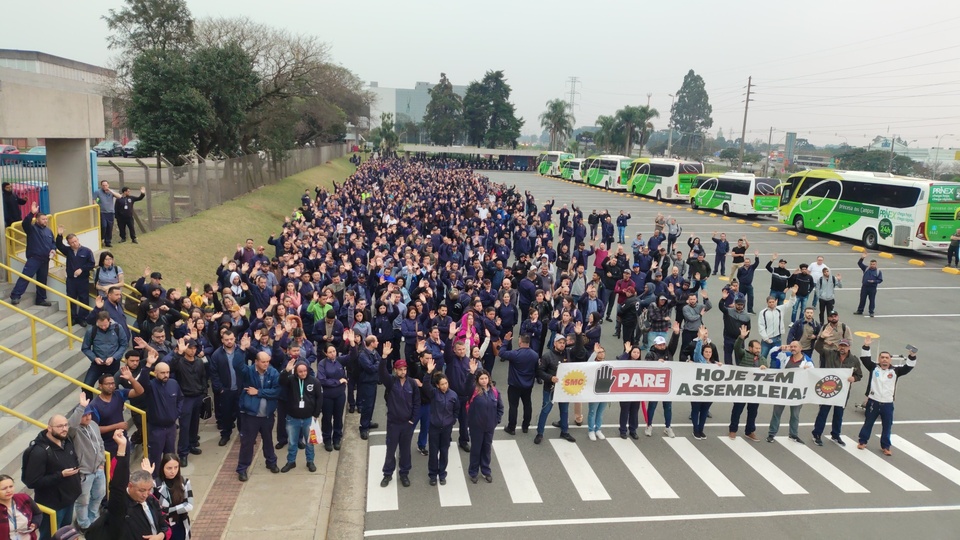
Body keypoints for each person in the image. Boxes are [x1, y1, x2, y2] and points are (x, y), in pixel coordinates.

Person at [98, 430, 168, 540]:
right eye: (142, 490)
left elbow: (164, 525)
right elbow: (117, 485)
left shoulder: (151, 501)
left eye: (149, 489)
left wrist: (160, 535)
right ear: (130, 486)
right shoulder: (120, 505)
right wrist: (122, 448)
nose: (146, 494)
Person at [20, 415, 81, 539]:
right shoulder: (39, 451)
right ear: (49, 428)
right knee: (50, 536)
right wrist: (60, 475)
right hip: (52, 506)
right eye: (59, 426)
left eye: (65, 425)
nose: (64, 429)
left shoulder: (67, 440)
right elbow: (32, 482)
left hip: (69, 500)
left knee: (65, 534)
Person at [857, 336, 917, 456]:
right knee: (868, 422)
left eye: (887, 358)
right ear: (879, 359)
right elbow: (865, 359)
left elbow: (909, 367)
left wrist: (912, 356)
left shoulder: (895, 371)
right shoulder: (874, 368)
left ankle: (885, 446)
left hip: (888, 403)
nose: (884, 360)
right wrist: (866, 346)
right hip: (873, 401)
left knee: (887, 426)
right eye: (882, 357)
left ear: (890, 360)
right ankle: (862, 441)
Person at [235, 352, 281, 481]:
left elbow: (277, 391)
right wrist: (242, 350)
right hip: (251, 415)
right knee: (247, 443)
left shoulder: (273, 373)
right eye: (263, 362)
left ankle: (271, 462)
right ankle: (242, 468)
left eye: (268, 361)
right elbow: (237, 365)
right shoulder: (248, 372)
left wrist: (258, 392)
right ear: (256, 361)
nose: (266, 364)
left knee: (268, 440)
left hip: (267, 415)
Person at [379, 346, 420, 489]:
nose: (403, 371)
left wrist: (412, 420)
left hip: (407, 424)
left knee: (405, 450)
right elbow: (382, 373)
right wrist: (384, 357)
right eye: (400, 369)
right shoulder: (391, 382)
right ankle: (387, 474)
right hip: (393, 423)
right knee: (391, 449)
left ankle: (404, 473)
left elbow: (416, 402)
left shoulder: (412, 384)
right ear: (395, 370)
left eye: (405, 369)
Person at [67, 392, 106, 533]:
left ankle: (93, 519)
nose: (88, 417)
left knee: (99, 495)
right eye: (84, 415)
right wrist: (80, 408)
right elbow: (69, 425)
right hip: (84, 472)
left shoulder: (94, 425)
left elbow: (100, 444)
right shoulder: (74, 430)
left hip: (98, 469)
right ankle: (83, 524)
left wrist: (102, 462)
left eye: (89, 414)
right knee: (83, 500)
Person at [811, 338, 862, 447]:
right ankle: (817, 434)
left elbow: (859, 375)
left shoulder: (854, 360)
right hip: (827, 389)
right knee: (823, 412)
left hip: (843, 392)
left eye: (845, 346)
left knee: (839, 414)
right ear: (838, 346)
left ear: (849, 347)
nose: (842, 348)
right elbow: (817, 348)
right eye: (841, 345)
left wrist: (854, 378)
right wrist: (821, 338)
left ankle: (835, 434)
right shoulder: (830, 354)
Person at [167, 339, 209, 467]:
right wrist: (179, 353)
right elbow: (171, 367)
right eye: (190, 348)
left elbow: (203, 377)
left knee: (195, 423)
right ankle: (183, 453)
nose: (192, 350)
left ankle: (192, 444)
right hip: (185, 398)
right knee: (184, 426)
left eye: (194, 348)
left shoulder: (199, 362)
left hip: (197, 396)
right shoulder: (179, 362)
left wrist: (204, 392)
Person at [278, 356, 323, 473]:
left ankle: (310, 461)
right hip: (293, 418)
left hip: (309, 418)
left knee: (309, 443)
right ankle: (291, 461)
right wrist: (286, 370)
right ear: (296, 372)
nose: (303, 373)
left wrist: (316, 414)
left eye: (305, 371)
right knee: (292, 442)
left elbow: (319, 398)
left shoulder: (314, 381)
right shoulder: (291, 380)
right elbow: (281, 381)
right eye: (300, 371)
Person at [765, 341, 814, 444]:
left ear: (801, 348)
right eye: (791, 346)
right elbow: (772, 354)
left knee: (795, 415)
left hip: (796, 392)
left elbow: (812, 376)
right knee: (776, 413)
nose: (793, 348)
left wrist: (807, 370)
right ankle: (771, 434)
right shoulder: (785, 356)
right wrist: (779, 348)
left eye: (795, 347)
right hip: (783, 391)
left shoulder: (808, 362)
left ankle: (793, 434)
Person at [422, 356, 459, 486]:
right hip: (434, 427)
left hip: (447, 428)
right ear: (437, 385)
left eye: (446, 383)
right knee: (433, 452)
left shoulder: (453, 395)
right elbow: (425, 385)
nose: (445, 386)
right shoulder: (434, 393)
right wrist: (428, 372)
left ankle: (442, 474)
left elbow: (456, 410)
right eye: (442, 384)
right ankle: (432, 474)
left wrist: (452, 421)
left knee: (444, 451)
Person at [8, 202, 54, 307]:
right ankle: (15, 296)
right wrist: (31, 213)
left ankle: (41, 299)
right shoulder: (32, 229)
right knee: (26, 277)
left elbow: (53, 243)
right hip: (34, 258)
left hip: (45, 259)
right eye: (43, 219)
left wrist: (53, 249)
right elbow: (25, 224)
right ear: (37, 220)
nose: (45, 221)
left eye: (46, 219)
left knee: (42, 280)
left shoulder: (49, 231)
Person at [534, 335, 578, 445]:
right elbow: (539, 371)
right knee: (545, 410)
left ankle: (564, 431)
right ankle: (540, 433)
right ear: (554, 343)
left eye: (563, 342)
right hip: (550, 388)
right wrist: (550, 378)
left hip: (564, 389)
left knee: (564, 411)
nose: (562, 344)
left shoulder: (568, 353)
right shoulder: (547, 356)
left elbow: (579, 349)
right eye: (559, 342)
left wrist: (578, 335)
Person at [729, 325, 767, 441]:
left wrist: (765, 368)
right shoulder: (743, 354)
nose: (758, 350)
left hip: (755, 390)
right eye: (756, 348)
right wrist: (741, 337)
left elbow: (768, 372)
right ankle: (733, 430)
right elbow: (736, 347)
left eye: (759, 348)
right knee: (737, 409)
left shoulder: (763, 359)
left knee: (753, 411)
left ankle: (750, 431)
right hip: (742, 387)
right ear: (750, 348)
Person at [143, 360, 182, 470]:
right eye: (163, 373)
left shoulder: (173, 383)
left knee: (170, 456)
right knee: (155, 457)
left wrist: (176, 413)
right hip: (156, 429)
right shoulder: (150, 386)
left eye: (168, 372)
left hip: (171, 428)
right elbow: (142, 381)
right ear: (155, 373)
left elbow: (180, 399)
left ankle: (170, 479)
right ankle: (155, 480)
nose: (166, 375)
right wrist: (148, 365)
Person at [466, 369, 503, 484]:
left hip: (489, 427)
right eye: (481, 378)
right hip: (476, 427)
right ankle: (473, 472)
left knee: (486, 449)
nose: (484, 381)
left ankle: (486, 470)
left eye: (486, 378)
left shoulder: (494, 391)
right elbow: (466, 386)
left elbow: (500, 408)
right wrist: (471, 374)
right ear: (477, 380)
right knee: (476, 450)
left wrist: (496, 420)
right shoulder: (474, 391)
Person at [317, 338, 354, 452]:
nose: (333, 354)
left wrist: (352, 344)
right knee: (327, 418)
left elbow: (353, 356)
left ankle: (337, 438)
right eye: (330, 352)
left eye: (334, 351)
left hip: (340, 395)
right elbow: (322, 380)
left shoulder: (339, 361)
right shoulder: (322, 364)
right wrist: (338, 382)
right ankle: (327, 439)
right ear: (325, 353)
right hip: (327, 396)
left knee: (338, 417)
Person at [55, 226, 96, 327]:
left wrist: (82, 269)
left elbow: (91, 263)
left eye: (75, 241)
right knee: (71, 298)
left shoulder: (87, 251)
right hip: (71, 280)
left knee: (84, 299)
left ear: (78, 240)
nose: (74, 243)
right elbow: (59, 245)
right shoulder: (68, 251)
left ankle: (82, 318)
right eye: (72, 242)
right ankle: (72, 318)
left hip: (83, 279)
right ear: (69, 243)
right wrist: (59, 235)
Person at [643, 325, 680, 438]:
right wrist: (656, 361)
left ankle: (668, 427)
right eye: (660, 344)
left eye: (663, 344)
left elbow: (674, 343)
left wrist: (676, 333)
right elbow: (646, 366)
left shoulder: (669, 352)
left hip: (667, 384)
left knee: (668, 406)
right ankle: (649, 425)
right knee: (652, 406)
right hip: (655, 385)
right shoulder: (650, 354)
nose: (662, 346)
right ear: (655, 345)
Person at [500, 333, 539, 436]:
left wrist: (506, 341)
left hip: (515, 385)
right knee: (527, 404)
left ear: (520, 342)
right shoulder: (534, 355)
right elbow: (536, 370)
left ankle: (511, 427)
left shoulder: (515, 353)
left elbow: (501, 353)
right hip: (528, 385)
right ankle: (525, 426)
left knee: (513, 406)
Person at [146, 455, 193, 540]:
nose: (173, 471)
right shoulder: (155, 484)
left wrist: (167, 511)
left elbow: (189, 505)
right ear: (162, 468)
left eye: (176, 467)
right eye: (169, 468)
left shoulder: (184, 482)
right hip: (164, 526)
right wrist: (147, 475)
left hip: (181, 524)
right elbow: (146, 498)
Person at [80, 312, 127, 396]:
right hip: (97, 363)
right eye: (100, 325)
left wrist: (114, 357)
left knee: (113, 387)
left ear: (109, 321)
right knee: (86, 386)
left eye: (105, 325)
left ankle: (115, 406)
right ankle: (88, 406)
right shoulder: (92, 331)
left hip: (113, 363)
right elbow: (85, 348)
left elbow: (123, 345)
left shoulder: (118, 328)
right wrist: (94, 358)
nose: (103, 327)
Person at [690, 327, 722, 440]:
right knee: (696, 410)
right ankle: (695, 430)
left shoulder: (715, 363)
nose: (708, 353)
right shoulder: (699, 360)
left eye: (710, 352)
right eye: (706, 351)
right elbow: (696, 351)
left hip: (709, 391)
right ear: (703, 352)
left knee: (704, 412)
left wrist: (721, 366)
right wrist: (700, 339)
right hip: (697, 390)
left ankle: (701, 430)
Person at [757, 287, 797, 361]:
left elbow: (791, 303)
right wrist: (766, 338)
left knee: (776, 358)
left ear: (776, 301)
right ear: (767, 303)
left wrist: (793, 294)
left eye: (773, 302)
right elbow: (761, 326)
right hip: (766, 340)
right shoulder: (763, 312)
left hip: (777, 339)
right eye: (770, 302)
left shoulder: (780, 309)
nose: (772, 303)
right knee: (762, 357)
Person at [356, 335, 384, 440]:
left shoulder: (374, 352)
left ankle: (368, 421)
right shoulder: (363, 355)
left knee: (371, 404)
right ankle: (363, 427)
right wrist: (377, 363)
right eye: (376, 341)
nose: (377, 343)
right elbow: (370, 368)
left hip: (372, 381)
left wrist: (377, 363)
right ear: (371, 343)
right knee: (367, 405)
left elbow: (380, 362)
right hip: (366, 382)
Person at [0, 474, 42, 540]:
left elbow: (38, 514)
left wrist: (35, 524)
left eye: (11, 486)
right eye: (4, 488)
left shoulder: (24, 498)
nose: (9, 490)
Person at [586, 344, 609, 441]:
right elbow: (588, 363)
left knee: (600, 412)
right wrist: (594, 352)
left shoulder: (608, 363)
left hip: (605, 391)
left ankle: (598, 429)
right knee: (592, 411)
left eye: (603, 352)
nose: (602, 354)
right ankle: (591, 430)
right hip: (594, 391)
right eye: (599, 352)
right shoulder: (593, 363)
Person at [94, 180, 120, 247]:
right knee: (104, 226)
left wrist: (110, 191)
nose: (104, 186)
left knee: (109, 227)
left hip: (110, 212)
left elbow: (119, 196)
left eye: (106, 185)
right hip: (102, 212)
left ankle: (108, 242)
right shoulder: (98, 192)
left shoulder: (111, 192)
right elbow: (94, 200)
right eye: (103, 185)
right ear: (101, 186)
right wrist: (97, 206)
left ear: (108, 185)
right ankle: (101, 238)